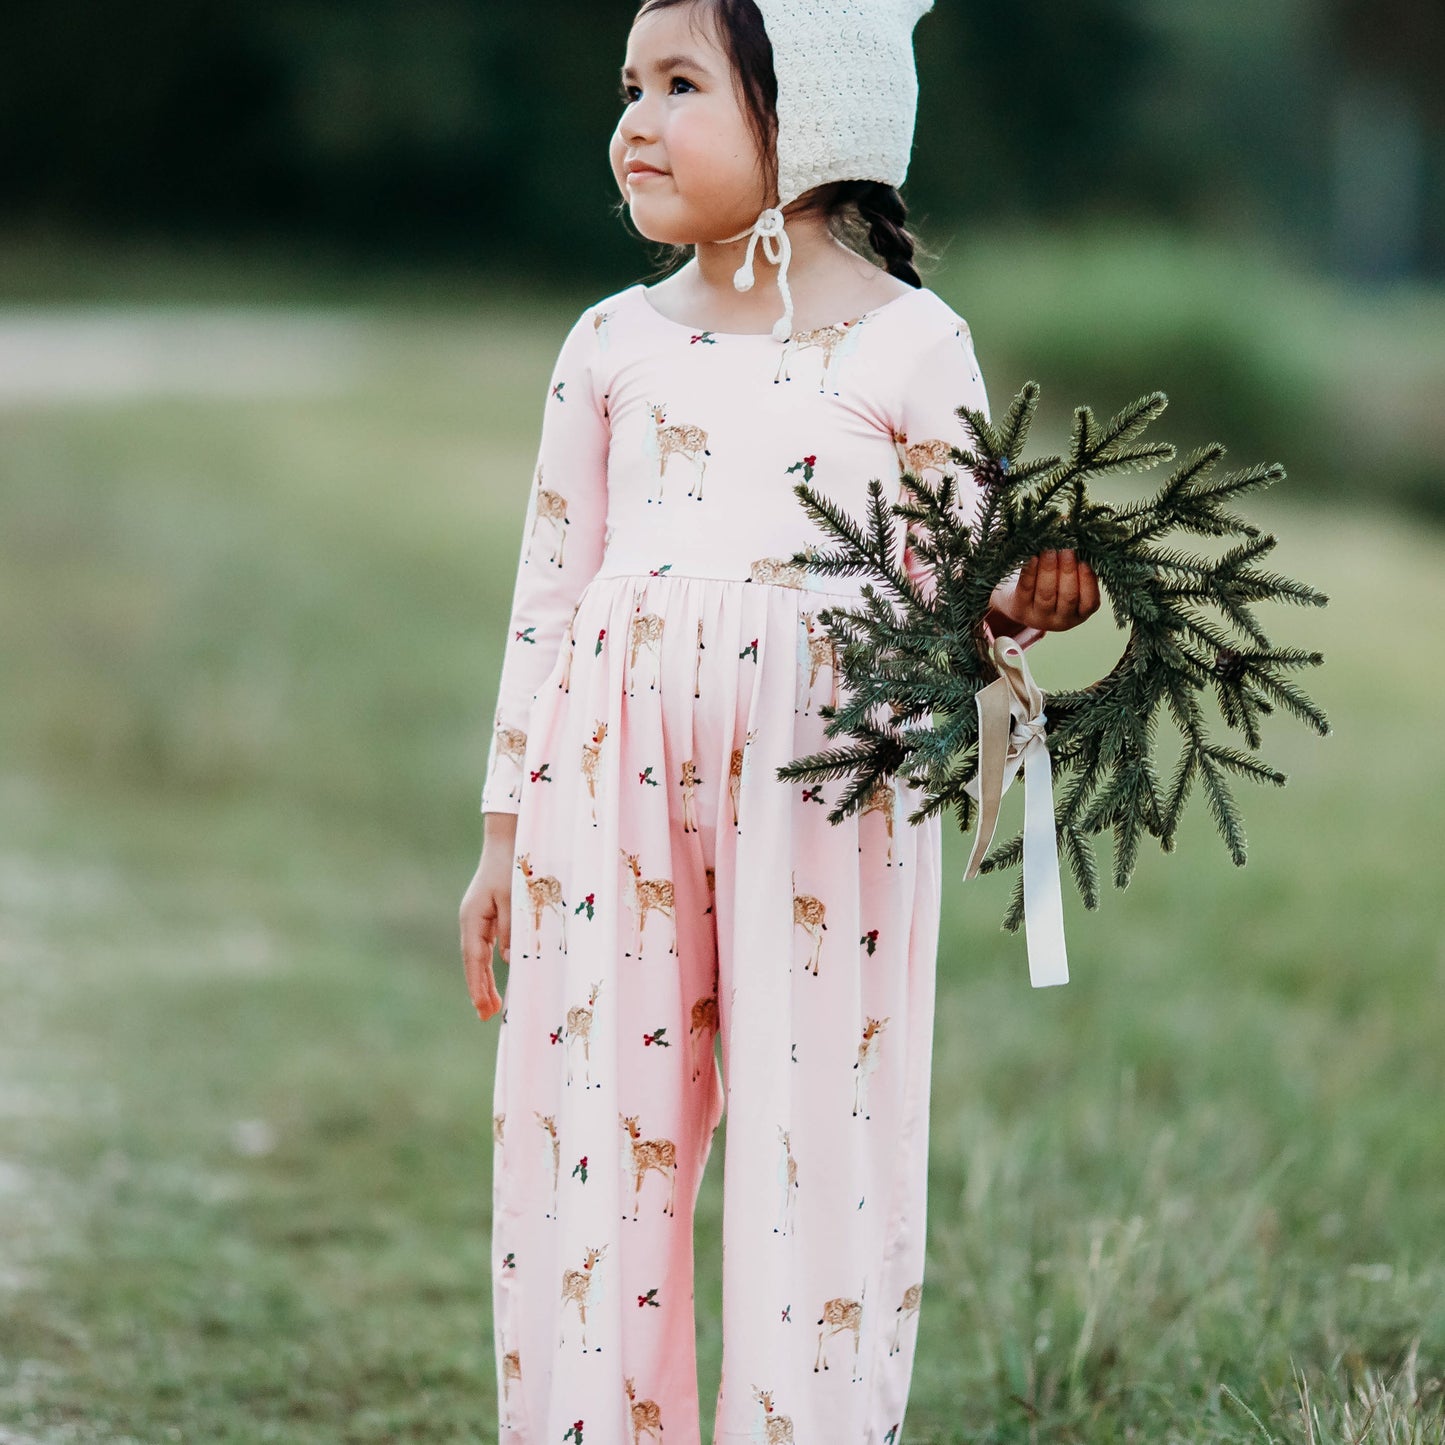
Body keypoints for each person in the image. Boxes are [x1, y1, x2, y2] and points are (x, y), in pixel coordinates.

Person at [458, 1, 1100, 1439]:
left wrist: (1016, 602)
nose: (631, 118)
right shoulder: (611, 344)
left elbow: (961, 586)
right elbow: (548, 595)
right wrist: (504, 832)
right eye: (628, 85)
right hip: (602, 795)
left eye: (679, 83)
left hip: (822, 801)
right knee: (592, 1146)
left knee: (821, 1146)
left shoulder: (907, 346)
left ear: (806, 116)